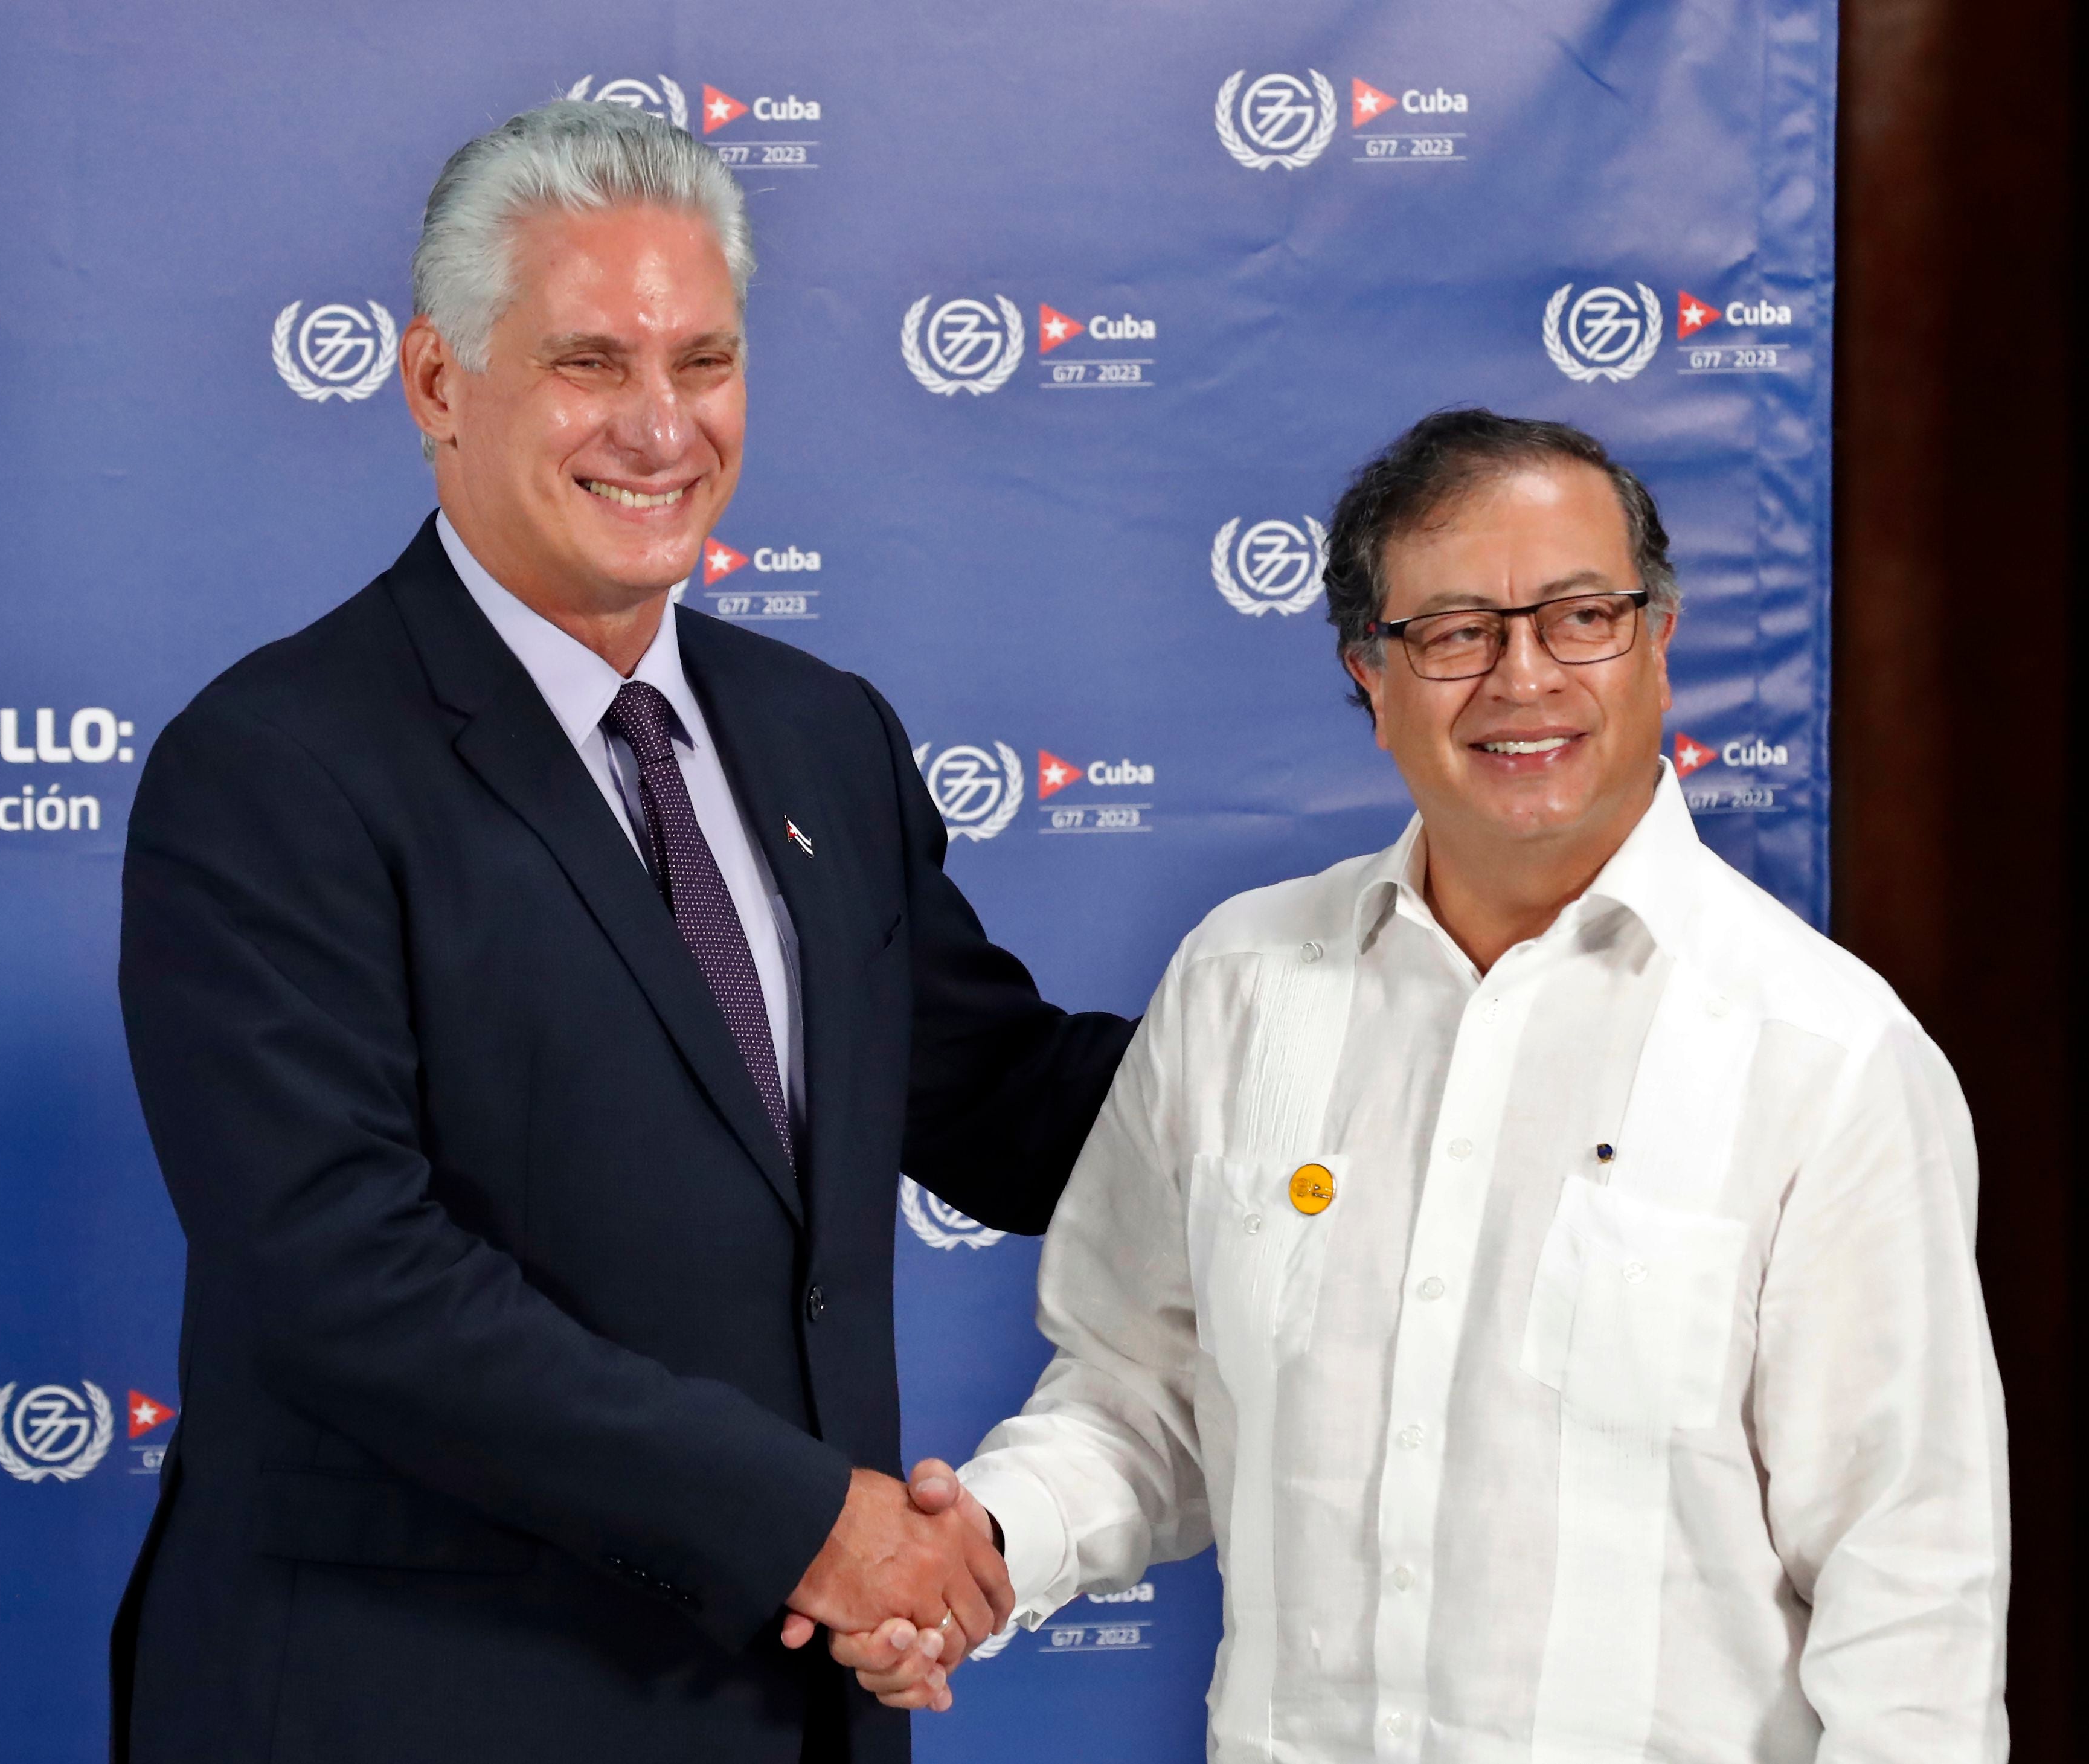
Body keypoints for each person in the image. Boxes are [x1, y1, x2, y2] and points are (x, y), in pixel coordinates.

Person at [109, 101, 1132, 1764]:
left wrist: (1351, 1036)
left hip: (787, 1704)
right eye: (591, 362)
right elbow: (345, 1275)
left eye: (704, 362)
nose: (661, 428)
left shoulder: (821, 734)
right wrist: (815, 1521)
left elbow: (997, 1103)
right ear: (439, 383)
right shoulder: (277, 762)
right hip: (416, 1706)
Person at [838, 411, 2010, 1760]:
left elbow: (1908, 1594)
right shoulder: (1238, 984)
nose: (1523, 677)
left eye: (1580, 616)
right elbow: (1138, 1390)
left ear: (1656, 646)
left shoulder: (1825, 1056)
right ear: (1368, 676)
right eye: (1455, 632)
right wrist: (986, 1541)